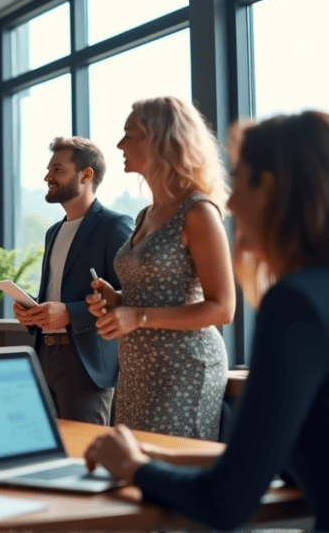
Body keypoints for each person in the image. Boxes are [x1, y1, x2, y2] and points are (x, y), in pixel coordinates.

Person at [84, 111, 329, 530]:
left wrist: (133, 469)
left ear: (269, 188)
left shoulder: (296, 304)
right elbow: (289, 463)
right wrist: (156, 458)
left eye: (242, 181)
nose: (231, 203)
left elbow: (226, 500)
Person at [86, 96, 234, 440]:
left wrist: (136, 316)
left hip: (185, 370)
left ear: (159, 141)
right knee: (131, 473)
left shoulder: (199, 212)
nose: (120, 144)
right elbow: (157, 295)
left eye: (129, 135)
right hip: (138, 370)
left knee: (165, 479)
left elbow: (223, 308)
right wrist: (117, 300)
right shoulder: (146, 215)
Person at [13, 137, 133, 425]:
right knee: (46, 448)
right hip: (45, 357)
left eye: (57, 169)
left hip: (87, 362)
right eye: (48, 170)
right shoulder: (53, 231)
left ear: (86, 174)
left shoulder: (114, 225)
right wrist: (33, 313)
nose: (47, 177)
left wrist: (69, 313)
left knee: (84, 453)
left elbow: (129, 296)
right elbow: (54, 292)